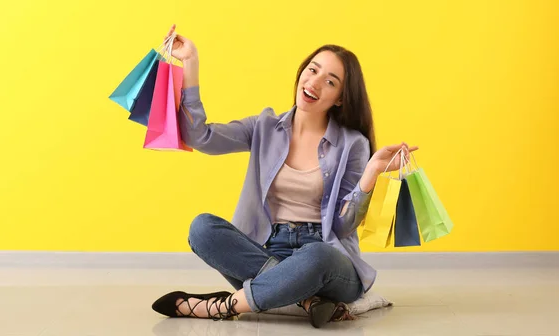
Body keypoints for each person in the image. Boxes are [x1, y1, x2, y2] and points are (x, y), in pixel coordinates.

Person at [151, 25, 418, 328]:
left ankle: (224, 305)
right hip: (269, 246)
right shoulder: (264, 127)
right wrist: (191, 63)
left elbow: (343, 225)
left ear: (340, 98)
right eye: (312, 70)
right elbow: (202, 138)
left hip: (326, 254)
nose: (315, 83)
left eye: (329, 82)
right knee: (202, 228)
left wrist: (370, 172)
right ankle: (304, 300)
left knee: (316, 256)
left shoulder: (352, 143)